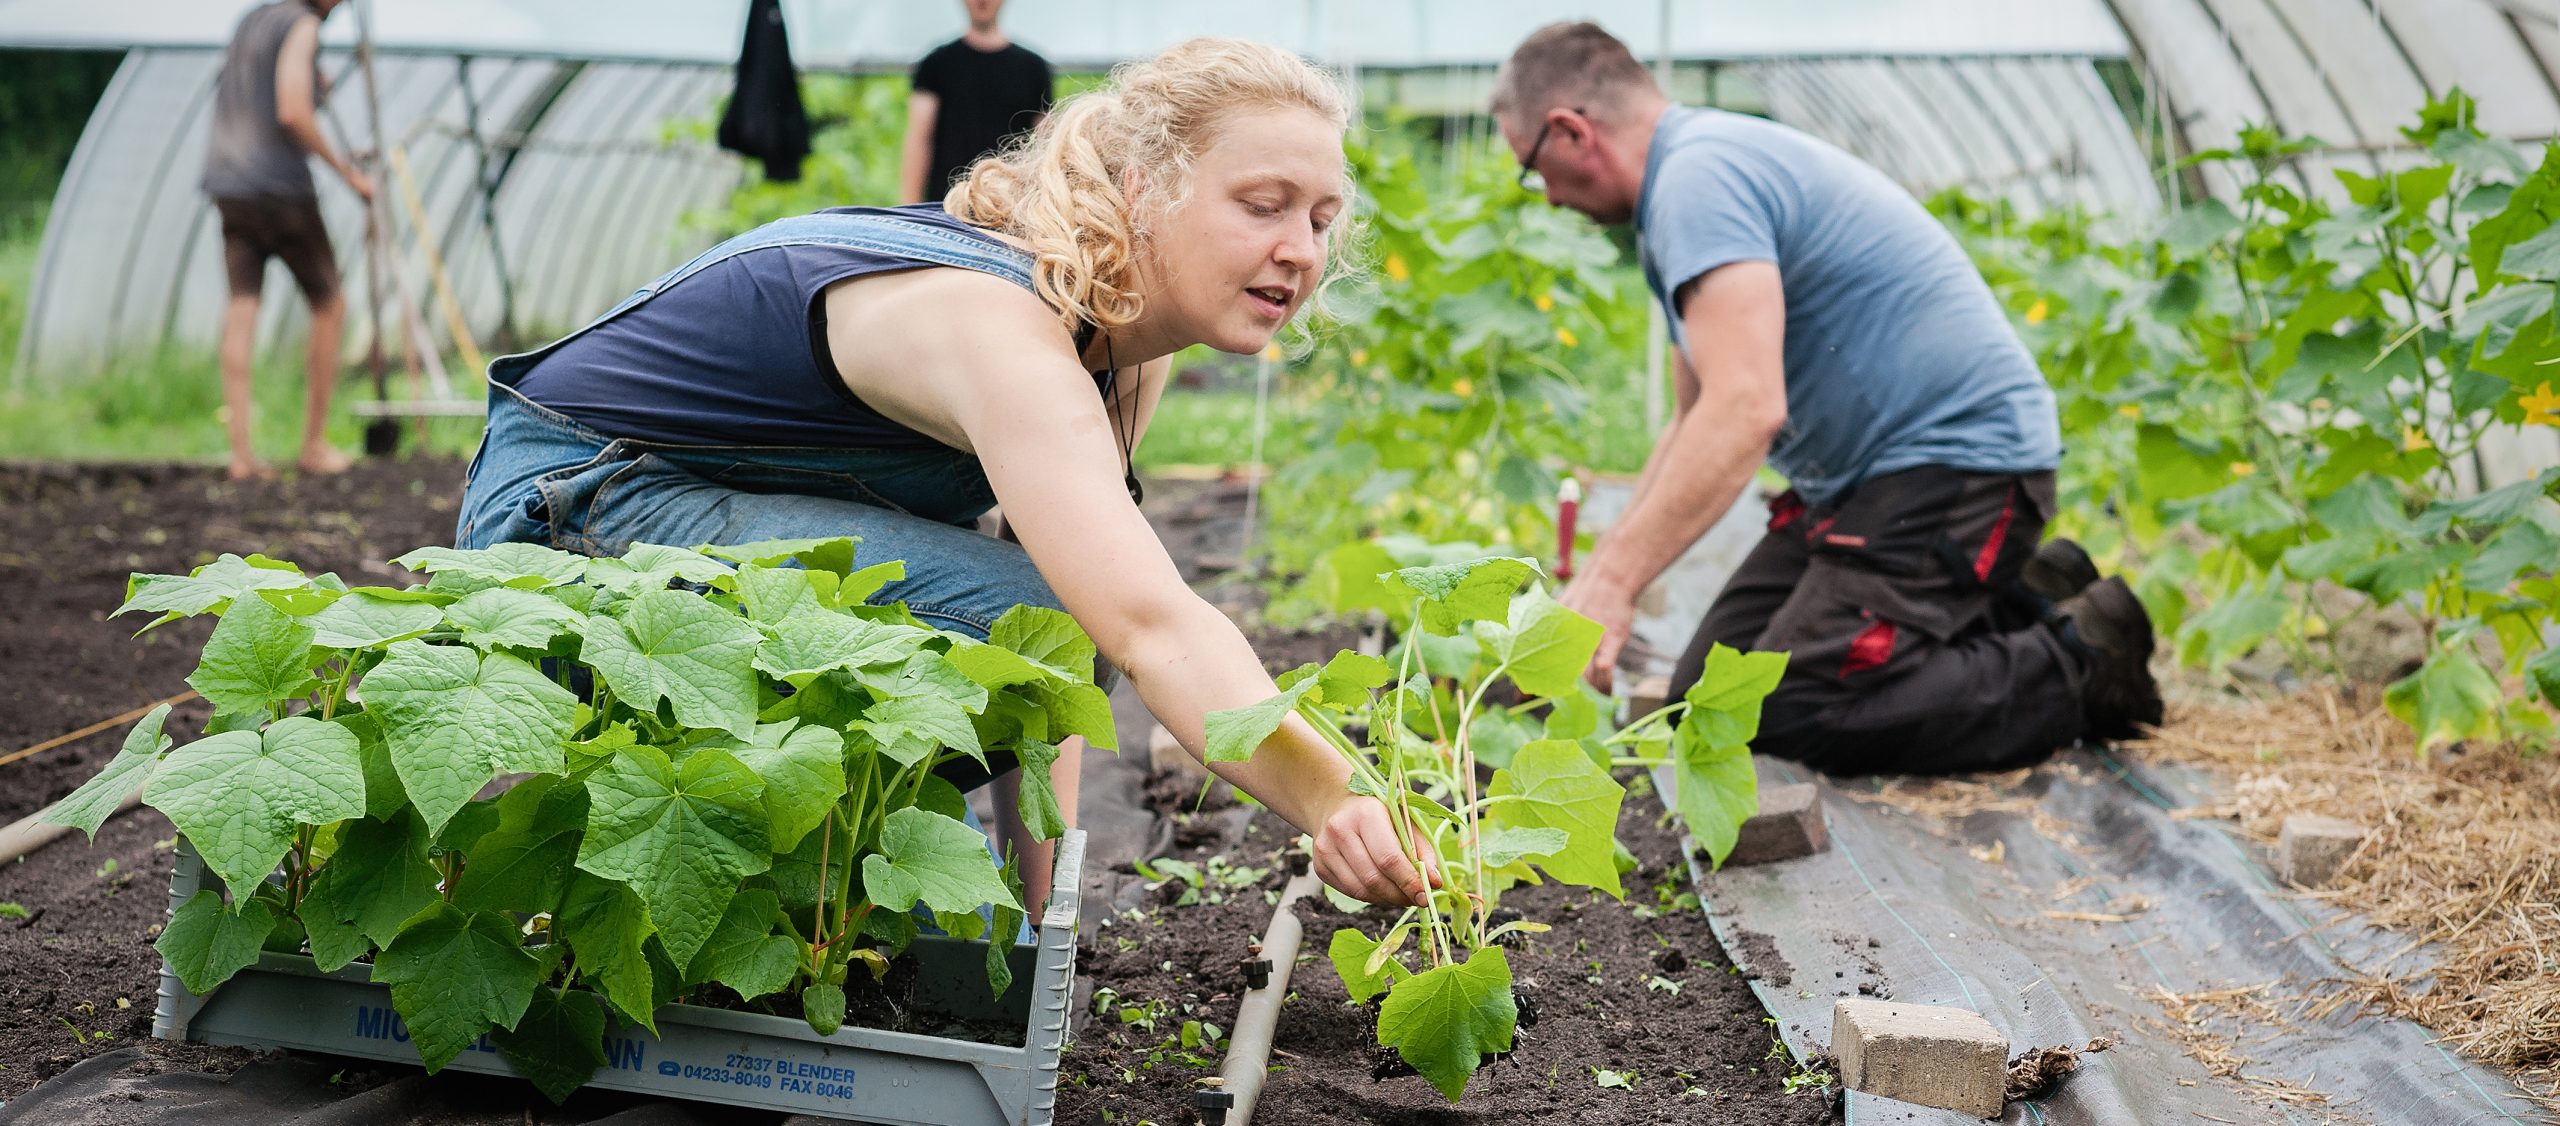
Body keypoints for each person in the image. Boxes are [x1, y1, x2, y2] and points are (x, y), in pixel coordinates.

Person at [456, 39, 1427, 912]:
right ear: (1142, 190)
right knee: (1031, 618)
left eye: (1321, 216)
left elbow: (1061, 640)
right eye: (1262, 206)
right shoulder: (1000, 330)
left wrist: (1043, 911)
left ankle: (849, 877)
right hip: (567, 513)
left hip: (697, 507)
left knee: (1034, 620)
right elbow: (1142, 625)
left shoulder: (1126, 337)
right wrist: (1337, 796)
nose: (1299, 249)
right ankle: (793, 869)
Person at [1493, 22, 2161, 776]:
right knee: (1710, 697)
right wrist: (1597, 584)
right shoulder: (1689, 186)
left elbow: (1747, 410)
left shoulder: (1697, 182)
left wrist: (1615, 584)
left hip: (1957, 473)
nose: (1546, 198)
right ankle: (2024, 597)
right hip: (1871, 487)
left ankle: (2080, 657)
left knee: (1792, 709)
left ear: (1571, 131)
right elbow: (1696, 417)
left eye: (1531, 169)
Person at [202, 0, 374, 481]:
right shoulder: (303, 25)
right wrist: (350, 176)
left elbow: (250, 93)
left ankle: (242, 456)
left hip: (228, 181)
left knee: (242, 306)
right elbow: (291, 111)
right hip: (278, 187)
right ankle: (313, 446)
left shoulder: (253, 20)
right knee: (329, 302)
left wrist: (317, 83)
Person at [900, 0, 1054, 205]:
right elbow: (919, 140)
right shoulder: (936, 64)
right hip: (946, 207)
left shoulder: (1033, 68)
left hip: (1010, 207)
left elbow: (1047, 145)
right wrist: (911, 207)